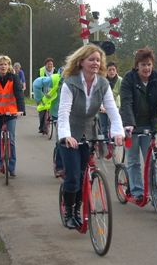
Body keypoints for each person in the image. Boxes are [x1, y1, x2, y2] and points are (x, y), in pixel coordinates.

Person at [57, 44, 124, 229]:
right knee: (73, 177)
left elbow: (112, 110)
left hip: (89, 132)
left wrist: (117, 132)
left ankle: (78, 209)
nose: (95, 63)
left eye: (98, 60)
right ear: (81, 62)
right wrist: (66, 136)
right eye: (91, 59)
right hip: (70, 132)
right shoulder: (70, 83)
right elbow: (63, 113)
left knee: (83, 174)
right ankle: (70, 212)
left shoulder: (102, 84)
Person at [119, 47, 157, 207]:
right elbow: (126, 102)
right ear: (137, 66)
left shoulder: (156, 78)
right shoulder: (129, 79)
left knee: (153, 161)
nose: (146, 68)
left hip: (149, 124)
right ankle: (138, 192)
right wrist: (129, 124)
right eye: (143, 65)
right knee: (134, 161)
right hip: (132, 126)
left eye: (149, 64)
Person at [0, 55, 26, 177]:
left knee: (11, 139)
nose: (3, 66)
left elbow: (19, 94)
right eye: (1, 64)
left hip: (10, 112)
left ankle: (11, 167)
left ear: (9, 66)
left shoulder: (14, 77)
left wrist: (21, 110)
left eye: (5, 64)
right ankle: (0, 164)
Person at [33, 68, 64, 176]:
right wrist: (39, 98)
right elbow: (36, 83)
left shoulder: (83, 78)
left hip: (75, 115)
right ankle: (59, 166)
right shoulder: (55, 78)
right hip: (58, 114)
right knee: (62, 140)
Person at [98, 61, 122, 159]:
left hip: (115, 106)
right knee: (104, 127)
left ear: (116, 71)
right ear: (106, 71)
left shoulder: (120, 80)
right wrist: (101, 106)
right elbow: (99, 95)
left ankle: (113, 146)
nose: (112, 72)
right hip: (103, 107)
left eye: (113, 70)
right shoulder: (102, 81)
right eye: (109, 70)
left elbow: (123, 94)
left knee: (114, 127)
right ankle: (107, 147)